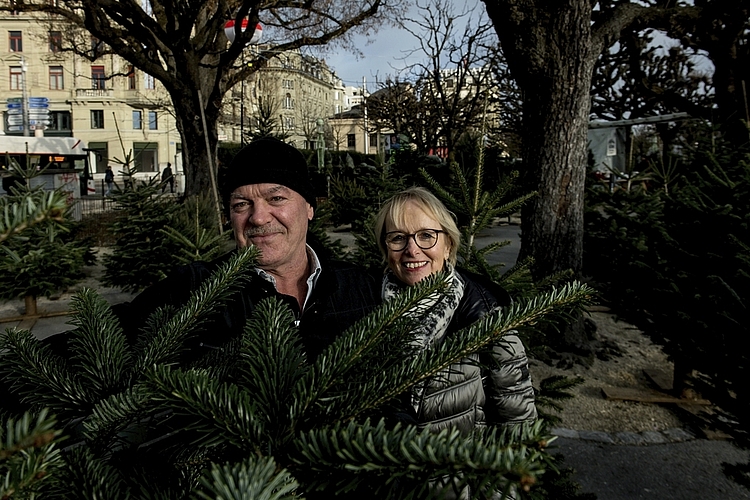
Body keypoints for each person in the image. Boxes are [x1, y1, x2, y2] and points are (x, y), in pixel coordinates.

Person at [117, 137, 380, 361]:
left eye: (276, 198)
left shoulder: (360, 288)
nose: (258, 218)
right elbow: (101, 338)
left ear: (309, 207)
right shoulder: (195, 289)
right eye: (241, 204)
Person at [373, 187, 537, 432]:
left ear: (448, 244)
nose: (412, 249)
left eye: (426, 235)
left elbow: (518, 421)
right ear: (386, 249)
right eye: (398, 238)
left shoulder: (487, 313)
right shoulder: (365, 305)